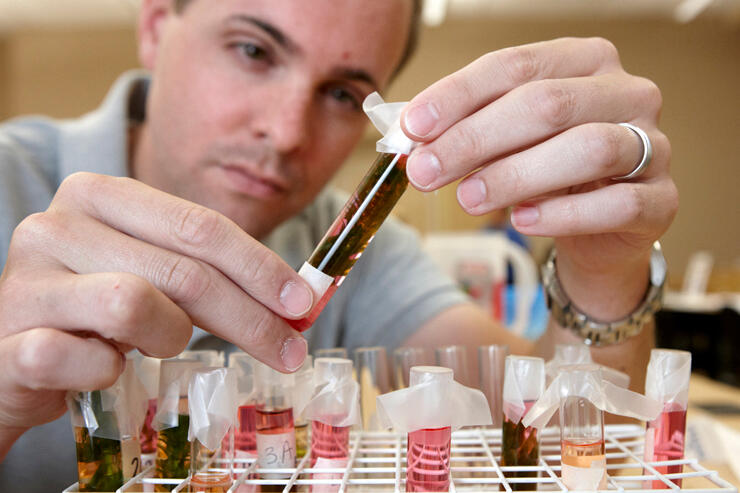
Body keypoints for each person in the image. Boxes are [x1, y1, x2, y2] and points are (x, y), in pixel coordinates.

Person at [0, 0, 678, 490]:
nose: (288, 130)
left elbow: (561, 447)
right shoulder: (10, 179)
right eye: (254, 50)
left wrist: (603, 267)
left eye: (343, 93)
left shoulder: (361, 244)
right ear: (154, 25)